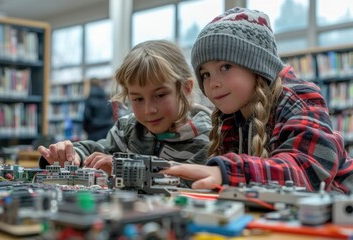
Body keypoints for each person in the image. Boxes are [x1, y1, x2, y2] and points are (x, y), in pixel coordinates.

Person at [162, 7, 353, 194]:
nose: (213, 84)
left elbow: (306, 172)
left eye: (225, 66)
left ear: (257, 66)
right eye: (205, 74)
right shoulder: (230, 116)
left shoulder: (300, 99)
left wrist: (229, 172)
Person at [37, 40, 212, 176]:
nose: (149, 110)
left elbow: (190, 182)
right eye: (137, 98)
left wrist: (122, 168)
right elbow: (97, 150)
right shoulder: (126, 129)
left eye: (160, 95)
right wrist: (71, 156)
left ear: (186, 88)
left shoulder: (208, 137)